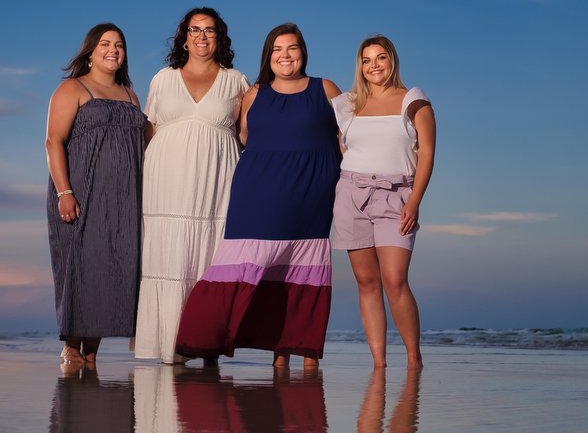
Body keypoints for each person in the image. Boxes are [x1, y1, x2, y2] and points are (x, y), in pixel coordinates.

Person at [175, 23, 341, 370]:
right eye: (278, 49)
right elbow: (244, 138)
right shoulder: (254, 94)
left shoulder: (325, 89)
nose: (285, 55)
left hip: (311, 195)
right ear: (268, 56)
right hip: (257, 193)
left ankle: (301, 352)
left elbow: (349, 136)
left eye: (292, 48)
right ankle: (204, 340)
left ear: (303, 53)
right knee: (242, 263)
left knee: (302, 270)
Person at [133, 8, 249, 365]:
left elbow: (247, 136)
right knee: (168, 256)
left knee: (210, 257)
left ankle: (207, 343)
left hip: (217, 184)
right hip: (165, 183)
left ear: (219, 37)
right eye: (195, 30)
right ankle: (169, 344)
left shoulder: (237, 81)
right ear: (184, 36)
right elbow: (147, 133)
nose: (201, 37)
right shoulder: (162, 79)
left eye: (209, 30)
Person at [330, 35, 436, 369]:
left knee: (395, 280)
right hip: (352, 195)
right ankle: (379, 363)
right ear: (360, 66)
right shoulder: (347, 105)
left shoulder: (413, 100)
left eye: (381, 58)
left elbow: (428, 153)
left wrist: (414, 201)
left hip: (397, 196)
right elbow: (342, 148)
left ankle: (413, 358)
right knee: (366, 282)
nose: (374, 65)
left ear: (392, 61)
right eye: (367, 60)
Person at [45, 22, 146, 366]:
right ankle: (72, 351)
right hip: (81, 195)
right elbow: (53, 141)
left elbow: (152, 138)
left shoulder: (131, 95)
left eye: (119, 44)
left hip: (122, 202)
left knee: (111, 271)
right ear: (90, 51)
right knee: (82, 270)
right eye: (105, 43)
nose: (113, 50)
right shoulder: (73, 89)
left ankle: (92, 356)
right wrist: (64, 192)